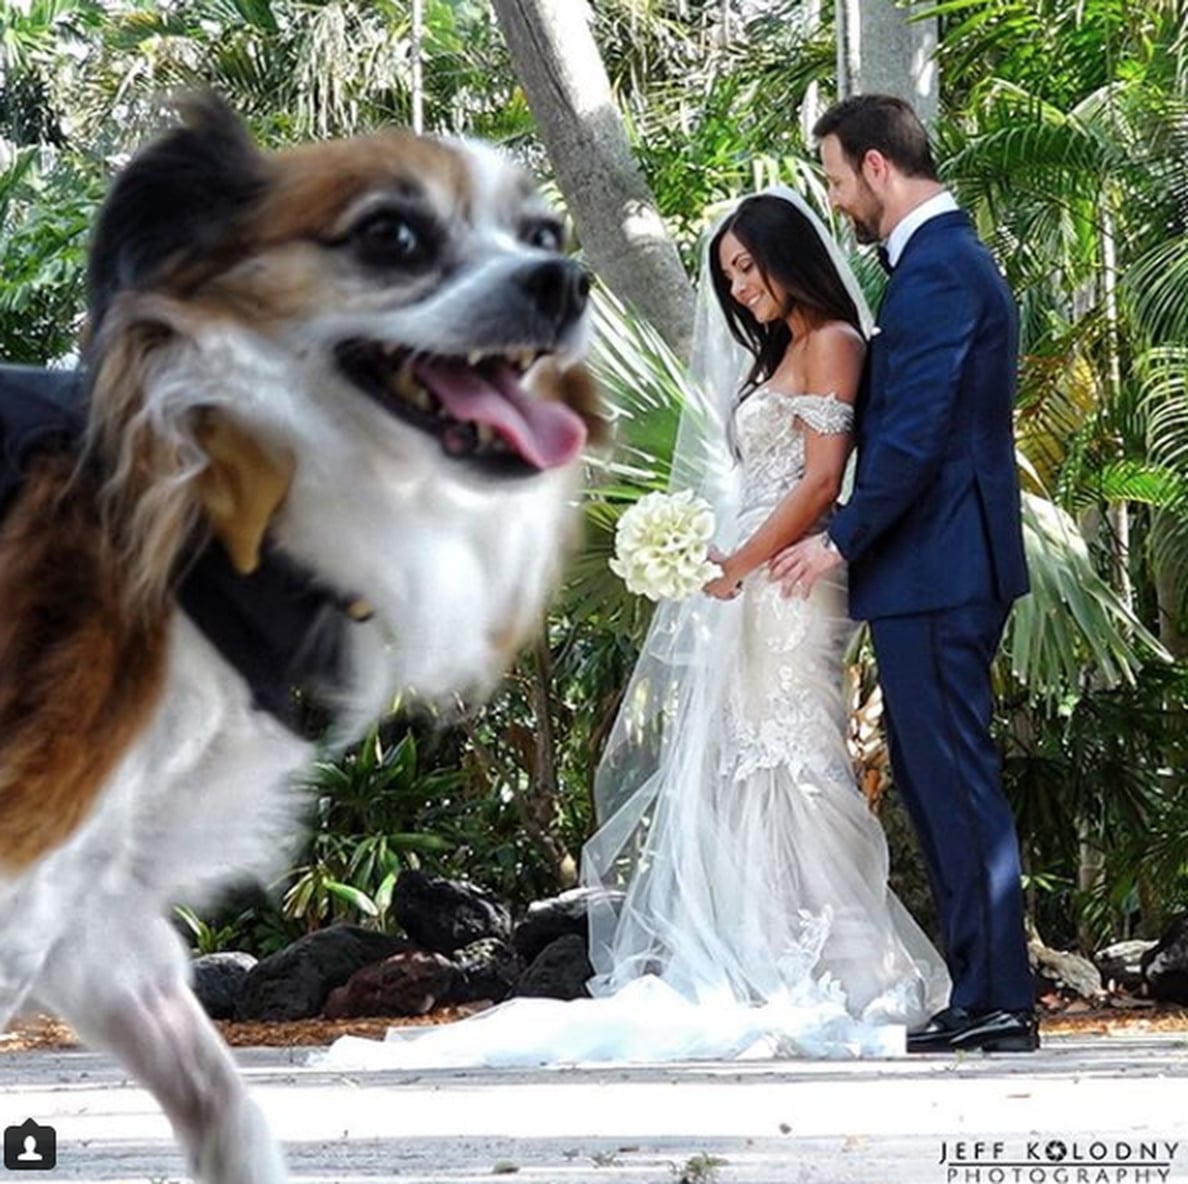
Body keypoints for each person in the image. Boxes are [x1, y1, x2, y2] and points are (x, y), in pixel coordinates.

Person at [321, 187, 950, 1071]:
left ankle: (840, 966)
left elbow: (817, 485)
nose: (736, 290)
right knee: (743, 765)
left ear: (789, 258)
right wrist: (703, 552)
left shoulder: (834, 344)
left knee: (794, 761)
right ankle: (773, 954)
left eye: (746, 268)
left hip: (790, 578)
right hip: (749, 573)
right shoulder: (779, 354)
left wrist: (734, 561)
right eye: (727, 275)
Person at [770, 95, 1037, 1055]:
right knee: (937, 783)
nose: (837, 200)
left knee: (956, 783)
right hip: (936, 565)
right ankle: (983, 993)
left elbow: (915, 435)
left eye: (838, 179)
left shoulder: (938, 273)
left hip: (939, 565)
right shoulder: (937, 266)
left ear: (878, 167)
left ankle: (1000, 999)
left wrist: (839, 538)